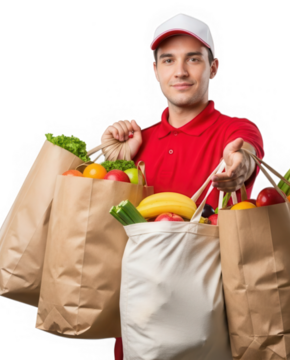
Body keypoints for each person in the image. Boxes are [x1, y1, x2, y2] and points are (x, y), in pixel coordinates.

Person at [100, 13, 265, 360]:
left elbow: (245, 151)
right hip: (140, 322)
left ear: (214, 67)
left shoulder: (236, 130)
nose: (180, 71)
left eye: (193, 58)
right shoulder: (139, 142)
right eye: (169, 60)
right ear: (155, 69)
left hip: (218, 320)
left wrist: (241, 164)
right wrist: (117, 159)